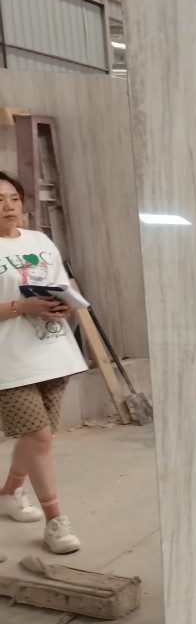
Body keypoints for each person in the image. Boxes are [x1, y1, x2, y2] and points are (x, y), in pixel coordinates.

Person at [0, 171, 85, 553]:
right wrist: (23, 306)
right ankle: (56, 522)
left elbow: (61, 285)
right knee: (38, 435)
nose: (8, 206)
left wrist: (62, 306)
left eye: (14, 198)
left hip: (52, 352)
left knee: (39, 435)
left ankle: (9, 491)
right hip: (9, 361)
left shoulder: (39, 240)